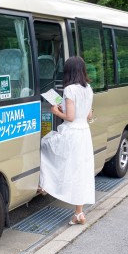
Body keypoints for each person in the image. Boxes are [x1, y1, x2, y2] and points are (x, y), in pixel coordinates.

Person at [38, 56, 95, 225]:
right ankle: (79, 213)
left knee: (45, 146)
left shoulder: (70, 89)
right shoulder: (88, 88)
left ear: (69, 71)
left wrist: (56, 111)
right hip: (84, 133)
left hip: (71, 133)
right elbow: (89, 115)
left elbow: (69, 117)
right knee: (81, 171)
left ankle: (44, 186)